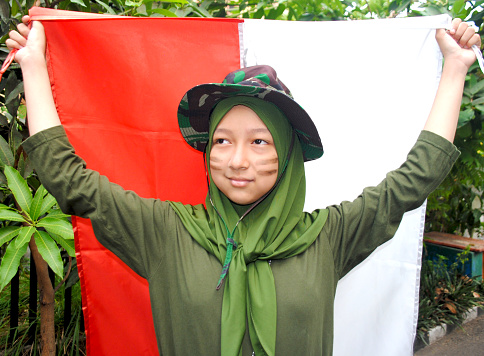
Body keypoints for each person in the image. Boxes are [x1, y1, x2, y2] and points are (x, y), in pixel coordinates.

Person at [6, 15, 481, 356]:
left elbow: (414, 178)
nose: (237, 161)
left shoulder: (329, 236)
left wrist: (455, 67)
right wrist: (33, 64)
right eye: (222, 141)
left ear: (288, 154)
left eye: (259, 141)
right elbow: (68, 178)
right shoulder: (165, 231)